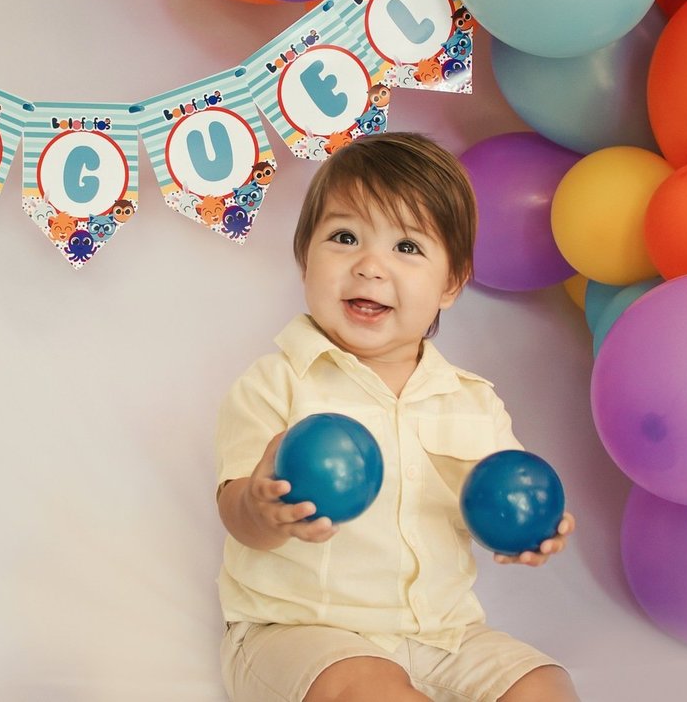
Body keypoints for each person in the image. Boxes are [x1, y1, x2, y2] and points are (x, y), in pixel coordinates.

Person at [215, 132, 578, 702]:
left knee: (545, 686)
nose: (369, 266)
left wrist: (529, 531)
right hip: (298, 632)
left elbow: (500, 502)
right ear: (304, 258)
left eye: (406, 246)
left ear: (451, 283)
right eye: (344, 237)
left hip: (443, 636)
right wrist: (260, 509)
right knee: (370, 690)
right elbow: (236, 510)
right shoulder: (276, 383)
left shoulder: (473, 401)